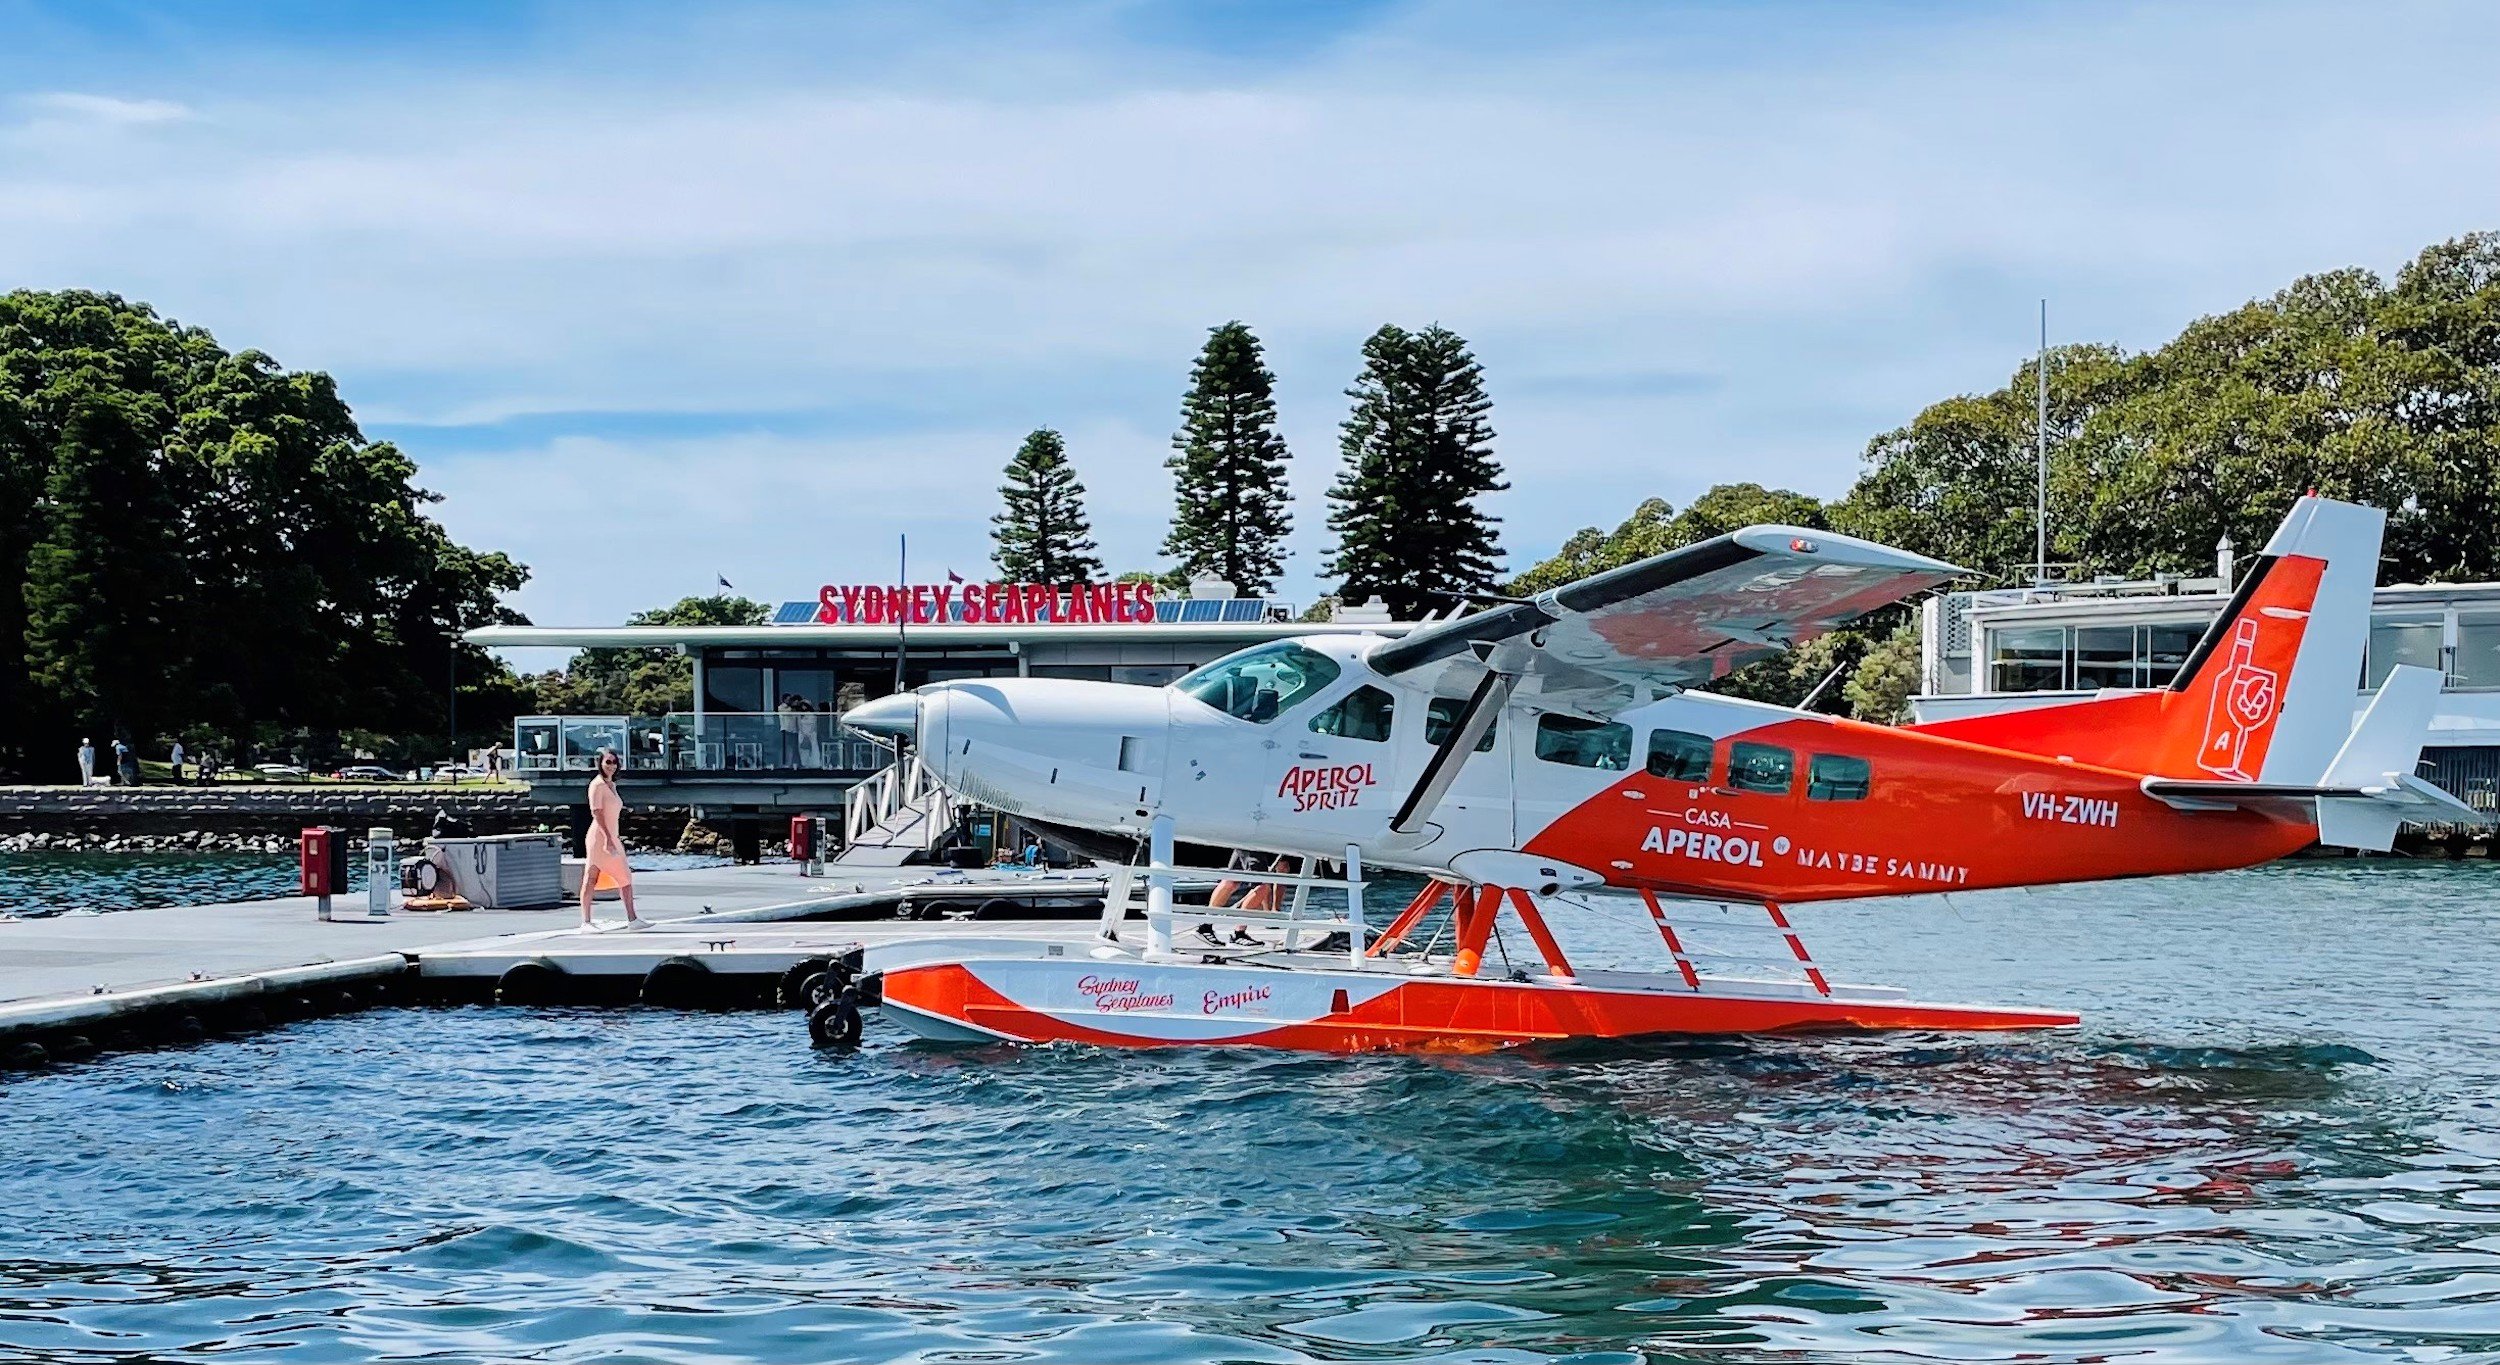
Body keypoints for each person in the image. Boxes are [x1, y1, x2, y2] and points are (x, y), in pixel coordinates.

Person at [581, 747, 646, 930]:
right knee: (591, 876)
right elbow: (597, 813)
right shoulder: (597, 785)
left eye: (614, 762)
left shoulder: (612, 785)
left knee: (625, 876)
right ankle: (586, 921)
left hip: (612, 836)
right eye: (608, 762)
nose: (611, 766)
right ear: (600, 763)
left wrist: (613, 837)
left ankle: (632, 919)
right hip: (599, 837)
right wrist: (608, 838)